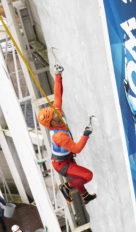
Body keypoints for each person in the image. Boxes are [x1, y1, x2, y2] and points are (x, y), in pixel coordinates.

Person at [37, 64, 96, 205]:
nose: (58, 112)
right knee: (87, 175)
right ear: (52, 122)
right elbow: (76, 149)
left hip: (65, 159)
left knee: (79, 174)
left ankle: (85, 196)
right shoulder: (59, 136)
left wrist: (58, 75)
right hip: (61, 164)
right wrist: (86, 134)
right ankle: (66, 187)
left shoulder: (56, 115)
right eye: (55, 115)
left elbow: (57, 95)